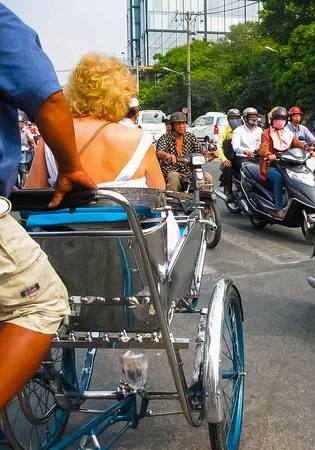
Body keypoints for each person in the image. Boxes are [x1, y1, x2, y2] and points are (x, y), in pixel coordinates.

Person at [0, 4, 97, 410]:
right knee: (38, 302)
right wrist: (73, 167)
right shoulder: (140, 139)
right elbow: (46, 97)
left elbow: (36, 189)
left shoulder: (43, 144)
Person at [27, 53, 165, 190]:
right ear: (123, 95)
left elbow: (30, 200)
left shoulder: (52, 137)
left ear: (74, 91)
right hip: (124, 212)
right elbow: (160, 198)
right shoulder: (139, 140)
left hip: (67, 212)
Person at [258, 107, 311, 218]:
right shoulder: (266, 133)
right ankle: (279, 208)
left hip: (287, 164)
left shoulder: (287, 133)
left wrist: (308, 148)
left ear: (286, 120)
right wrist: (269, 155)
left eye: (283, 119)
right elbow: (263, 149)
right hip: (270, 165)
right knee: (279, 178)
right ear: (272, 120)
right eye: (277, 118)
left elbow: (297, 144)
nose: (280, 121)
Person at [155, 111, 204, 191]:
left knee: (207, 177)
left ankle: (203, 201)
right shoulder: (165, 137)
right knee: (173, 177)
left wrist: (210, 153)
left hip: (189, 171)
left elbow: (200, 150)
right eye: (178, 124)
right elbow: (159, 152)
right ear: (172, 126)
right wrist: (168, 155)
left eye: (183, 123)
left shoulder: (190, 137)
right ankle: (171, 201)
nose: (181, 126)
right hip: (171, 170)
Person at [216, 108, 243, 201]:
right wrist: (224, 159)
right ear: (228, 119)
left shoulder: (243, 130)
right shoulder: (224, 132)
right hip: (230, 157)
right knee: (228, 167)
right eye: (232, 118)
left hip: (243, 158)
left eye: (237, 118)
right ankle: (229, 191)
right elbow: (219, 147)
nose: (235, 120)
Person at [231, 107, 262, 173]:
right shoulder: (238, 130)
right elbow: (236, 147)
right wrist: (245, 151)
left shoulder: (260, 130)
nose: (254, 119)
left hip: (257, 158)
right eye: (251, 117)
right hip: (243, 158)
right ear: (245, 118)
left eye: (255, 117)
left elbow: (263, 145)